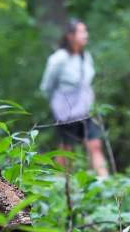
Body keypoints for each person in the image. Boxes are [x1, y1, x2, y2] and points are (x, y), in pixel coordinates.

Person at [40, 19, 109, 179]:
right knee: (66, 151)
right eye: (81, 32)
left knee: (95, 145)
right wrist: (58, 105)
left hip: (86, 110)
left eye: (86, 31)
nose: (86, 35)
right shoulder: (58, 59)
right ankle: (59, 185)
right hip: (66, 113)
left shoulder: (86, 57)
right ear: (70, 36)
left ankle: (104, 183)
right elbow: (46, 87)